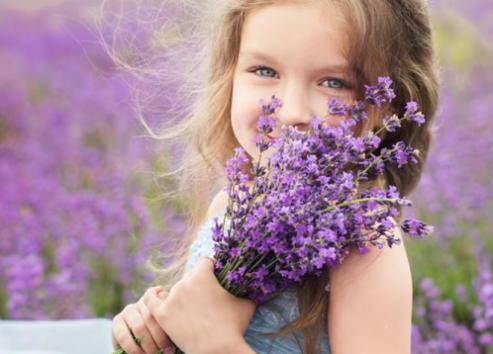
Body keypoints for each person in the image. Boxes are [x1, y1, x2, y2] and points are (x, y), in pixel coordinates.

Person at [111, 0, 439, 353]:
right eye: (265, 71)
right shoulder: (229, 203)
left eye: (333, 82)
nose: (291, 111)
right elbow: (195, 318)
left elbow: (207, 333)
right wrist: (153, 330)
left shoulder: (363, 240)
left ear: (385, 108)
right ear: (229, 74)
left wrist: (215, 344)